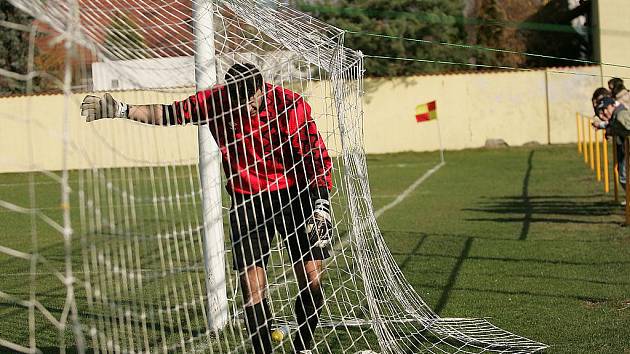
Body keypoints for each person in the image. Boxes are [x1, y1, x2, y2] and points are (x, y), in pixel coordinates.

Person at [81, 63, 333, 354]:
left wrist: (321, 204)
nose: (242, 112)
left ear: (260, 90)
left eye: (249, 105)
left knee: (312, 278)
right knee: (252, 287)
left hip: (297, 195)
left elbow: (316, 158)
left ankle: (303, 347)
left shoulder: (291, 106)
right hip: (248, 200)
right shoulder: (215, 101)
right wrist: (120, 109)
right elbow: (169, 114)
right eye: (236, 105)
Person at [593, 96, 630, 196]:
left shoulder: (620, 115)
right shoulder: (616, 116)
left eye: (606, 108)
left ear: (613, 105)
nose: (604, 112)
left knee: (624, 177)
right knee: (623, 177)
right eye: (602, 110)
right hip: (625, 149)